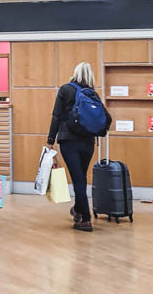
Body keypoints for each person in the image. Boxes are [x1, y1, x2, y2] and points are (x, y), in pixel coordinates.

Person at [47, 62, 98, 232]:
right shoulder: (92, 93)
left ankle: (85, 218)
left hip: (69, 141)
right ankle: (78, 210)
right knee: (81, 177)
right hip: (89, 142)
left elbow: (56, 115)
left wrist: (50, 139)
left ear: (75, 73)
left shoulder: (65, 90)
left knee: (78, 179)